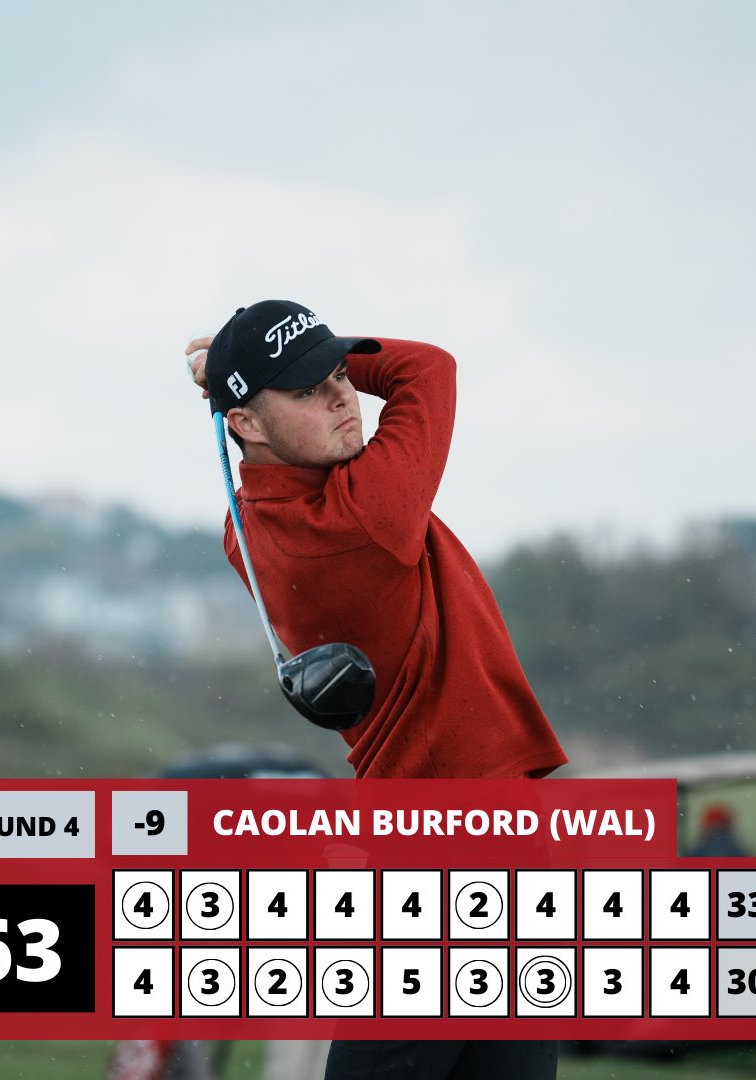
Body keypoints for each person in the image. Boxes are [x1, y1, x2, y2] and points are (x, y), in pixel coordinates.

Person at [186, 300, 567, 1079]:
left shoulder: (247, 530)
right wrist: (239, 376)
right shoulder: (366, 517)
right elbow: (428, 368)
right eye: (307, 391)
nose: (341, 399)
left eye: (336, 377)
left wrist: (246, 381)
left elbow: (277, 436)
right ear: (246, 427)